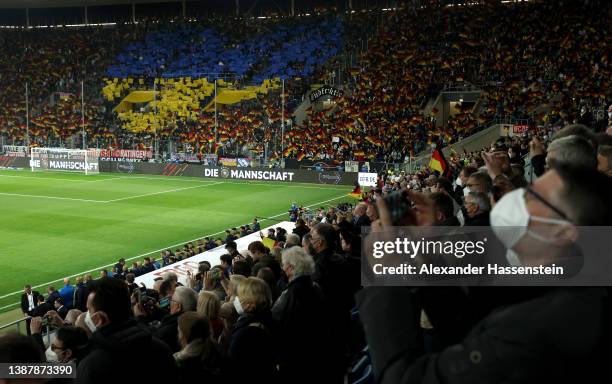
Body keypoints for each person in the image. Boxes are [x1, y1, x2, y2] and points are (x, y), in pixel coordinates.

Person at [357, 166, 612, 383]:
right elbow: (466, 326)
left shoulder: (544, 327)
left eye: (532, 195)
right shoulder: (547, 284)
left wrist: (387, 270)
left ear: (564, 232)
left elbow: (403, 378)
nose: (515, 197)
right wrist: (426, 250)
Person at [75, 277, 177, 384]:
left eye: (89, 310)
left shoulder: (90, 367)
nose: (87, 315)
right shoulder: (160, 347)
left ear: (100, 319)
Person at [272, 247, 330, 383]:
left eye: (283, 264)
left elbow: (276, 323)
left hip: (297, 359)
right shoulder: (314, 286)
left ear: (291, 268)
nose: (282, 267)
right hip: (317, 352)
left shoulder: (290, 295)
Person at [229, 277, 278, 382]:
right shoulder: (270, 318)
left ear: (249, 304)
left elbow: (232, 368)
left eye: (239, 296)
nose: (236, 299)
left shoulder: (245, 334)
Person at [174, 312, 226, 384]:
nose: (178, 336)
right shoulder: (218, 349)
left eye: (179, 331)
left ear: (184, 336)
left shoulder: (181, 363)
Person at [155, 286, 198, 353]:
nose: (170, 303)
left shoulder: (167, 331)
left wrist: (141, 318)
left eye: (172, 300)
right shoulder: (197, 320)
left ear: (178, 307)